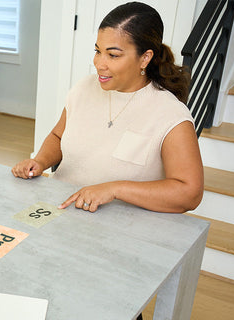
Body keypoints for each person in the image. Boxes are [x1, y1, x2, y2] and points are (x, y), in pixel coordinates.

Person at [12, 2, 204, 214]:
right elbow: (58, 136)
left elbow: (189, 193)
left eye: (113, 55)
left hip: (120, 226)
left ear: (145, 58)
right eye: (98, 51)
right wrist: (40, 161)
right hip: (58, 207)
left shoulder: (170, 115)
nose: (99, 64)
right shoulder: (84, 88)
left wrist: (115, 189)